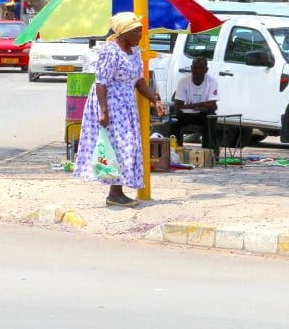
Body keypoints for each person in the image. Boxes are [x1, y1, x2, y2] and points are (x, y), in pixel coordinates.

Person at [73, 12, 165, 207]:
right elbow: (101, 83)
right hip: (110, 104)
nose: (141, 34)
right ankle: (115, 193)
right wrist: (104, 111)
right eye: (137, 31)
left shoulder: (135, 52)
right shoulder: (110, 51)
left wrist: (154, 100)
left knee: (128, 147)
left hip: (126, 106)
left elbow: (139, 81)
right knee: (118, 147)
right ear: (124, 33)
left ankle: (116, 193)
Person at [173, 57, 219, 148]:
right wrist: (203, 104)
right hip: (185, 115)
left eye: (200, 68)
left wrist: (190, 106)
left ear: (206, 70)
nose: (197, 71)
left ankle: (209, 152)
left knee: (211, 119)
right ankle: (176, 152)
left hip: (203, 115)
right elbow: (177, 106)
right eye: (195, 68)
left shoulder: (212, 81)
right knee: (173, 122)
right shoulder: (183, 81)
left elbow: (213, 105)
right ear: (191, 68)